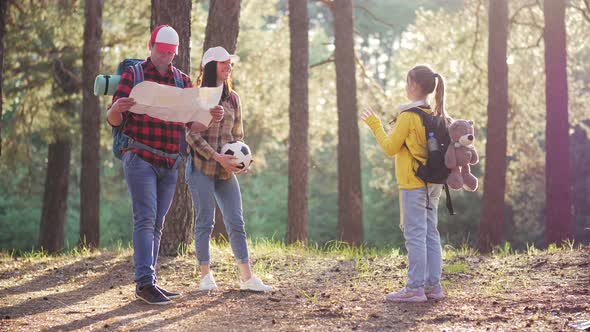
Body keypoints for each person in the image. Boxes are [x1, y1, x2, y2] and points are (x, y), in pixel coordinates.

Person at [107, 25, 224, 305]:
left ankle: (151, 282)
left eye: (171, 53)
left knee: (157, 223)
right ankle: (144, 283)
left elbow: (192, 124)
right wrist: (116, 109)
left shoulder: (183, 81)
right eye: (162, 51)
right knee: (146, 218)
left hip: (170, 162)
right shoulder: (133, 76)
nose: (165, 58)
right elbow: (112, 120)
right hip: (140, 157)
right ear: (151, 46)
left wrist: (212, 116)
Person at [186, 46, 272, 292]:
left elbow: (238, 136)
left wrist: (242, 159)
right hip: (201, 167)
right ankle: (205, 277)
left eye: (230, 64)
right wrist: (217, 156)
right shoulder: (198, 96)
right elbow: (191, 136)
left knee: (236, 220)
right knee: (205, 221)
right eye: (223, 64)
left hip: (225, 172)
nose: (228, 68)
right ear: (211, 66)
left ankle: (247, 278)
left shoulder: (234, 99)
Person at [361, 65, 450, 302]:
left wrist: (375, 125)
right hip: (433, 183)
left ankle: (414, 288)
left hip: (413, 183)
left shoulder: (409, 116)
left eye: (406, 81)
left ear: (413, 85)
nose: (405, 86)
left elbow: (390, 148)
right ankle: (434, 286)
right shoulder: (434, 113)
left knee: (415, 235)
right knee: (431, 232)